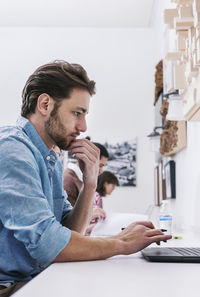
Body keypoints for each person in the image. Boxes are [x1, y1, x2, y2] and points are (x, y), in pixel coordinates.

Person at [0, 60, 171, 296]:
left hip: (31, 281)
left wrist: (90, 182)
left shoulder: (48, 157)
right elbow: (49, 245)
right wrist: (121, 243)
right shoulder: (12, 149)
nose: (83, 126)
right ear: (45, 104)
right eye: (77, 113)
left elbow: (70, 233)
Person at [63, 141, 109, 206]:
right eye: (100, 166)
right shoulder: (68, 180)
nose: (101, 171)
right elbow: (68, 215)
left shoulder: (82, 179)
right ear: (87, 159)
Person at [85, 171, 119, 235]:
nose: (114, 188)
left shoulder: (94, 194)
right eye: (113, 185)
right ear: (106, 184)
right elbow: (93, 220)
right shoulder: (96, 196)